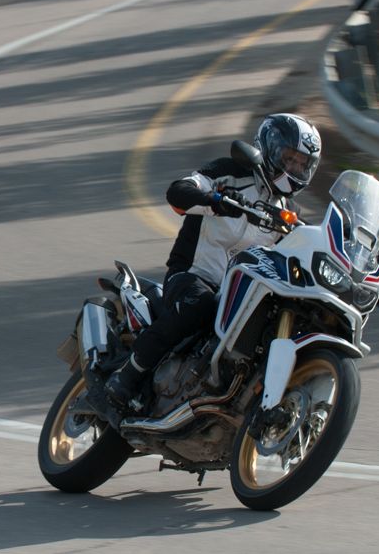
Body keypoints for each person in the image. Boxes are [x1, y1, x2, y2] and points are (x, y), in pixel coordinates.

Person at [104, 112, 322, 411]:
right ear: (269, 148)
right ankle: (127, 376)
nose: (294, 168)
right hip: (194, 274)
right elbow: (179, 191)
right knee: (200, 305)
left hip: (241, 293)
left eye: (302, 163)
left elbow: (308, 245)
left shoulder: (289, 213)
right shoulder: (229, 173)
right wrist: (216, 202)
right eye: (289, 158)